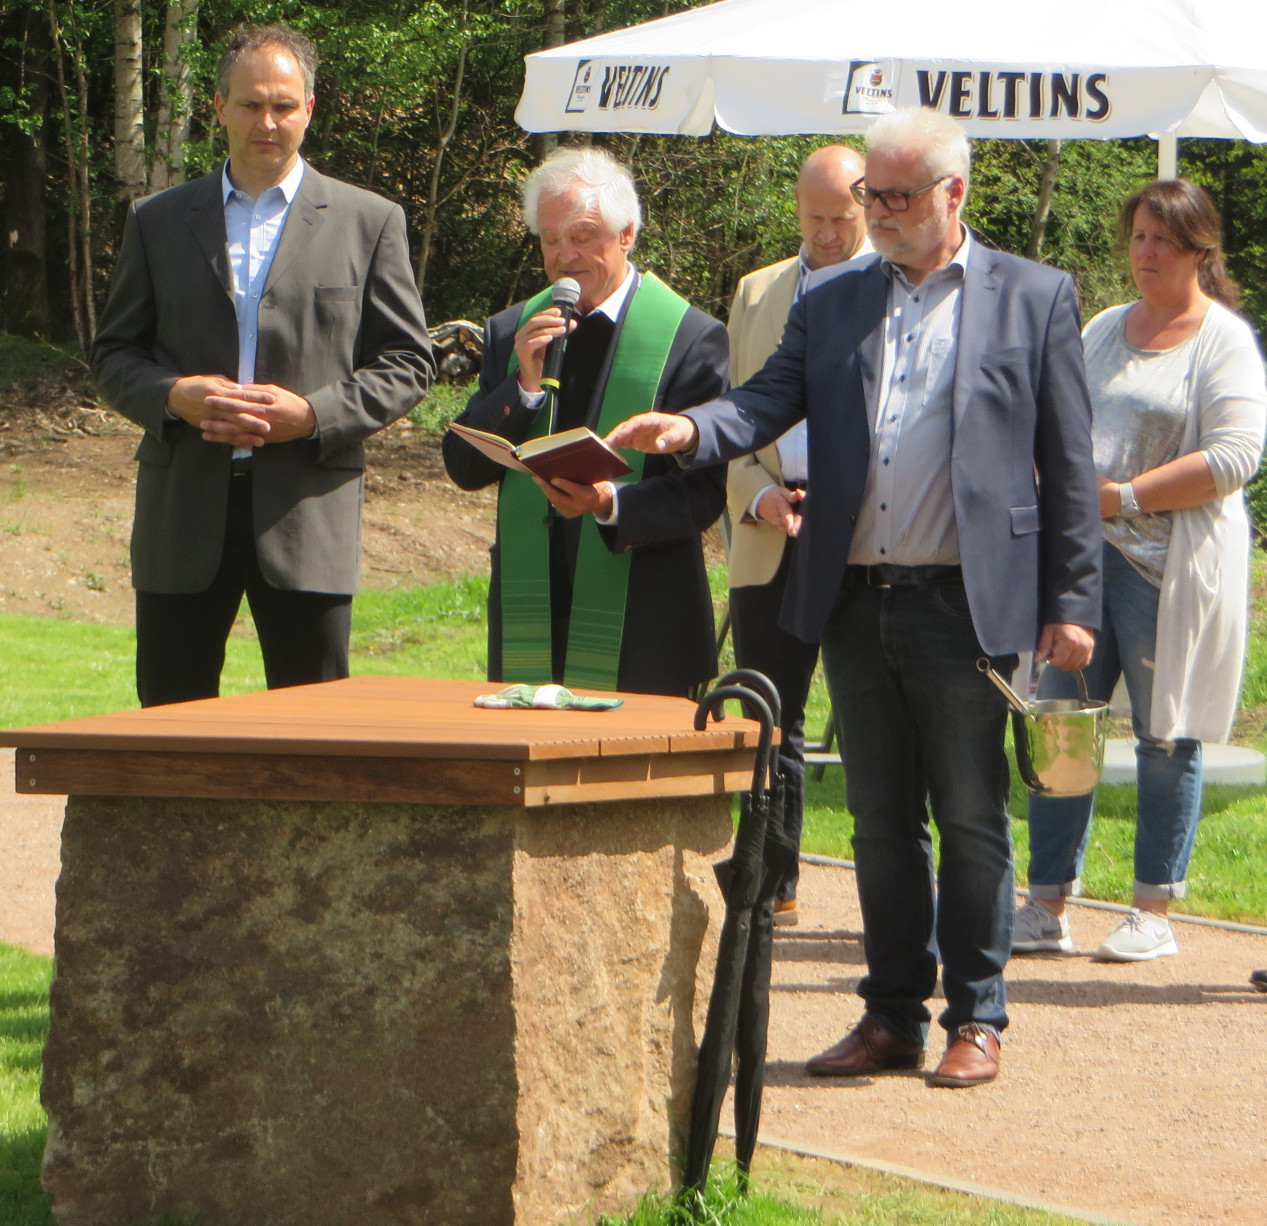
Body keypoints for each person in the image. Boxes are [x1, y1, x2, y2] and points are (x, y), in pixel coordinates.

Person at [609, 107, 1102, 1087]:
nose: (876, 213)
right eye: (871, 194)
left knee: (970, 813)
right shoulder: (834, 300)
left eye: (896, 197)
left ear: (953, 193)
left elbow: (1069, 459)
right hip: (852, 595)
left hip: (966, 603)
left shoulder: (1032, 296)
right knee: (878, 819)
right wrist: (692, 431)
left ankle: (976, 1015)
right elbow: (765, 399)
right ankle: (890, 1015)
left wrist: (1073, 598)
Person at [91, 24, 434, 708]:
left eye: (283, 105)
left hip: (307, 511)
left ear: (310, 109)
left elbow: (407, 362)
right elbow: (112, 354)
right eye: (251, 104)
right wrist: (173, 394)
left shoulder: (369, 222)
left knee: (314, 730)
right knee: (171, 727)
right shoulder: (157, 220)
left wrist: (313, 415)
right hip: (182, 513)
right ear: (219, 107)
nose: (267, 122)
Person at [1013, 180, 1267, 963]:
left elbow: (1235, 457)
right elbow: (1054, 420)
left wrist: (1121, 497)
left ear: (1198, 250)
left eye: (1161, 240)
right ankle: (1046, 903)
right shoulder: (1100, 328)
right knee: (1061, 725)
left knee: (1165, 737)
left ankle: (1151, 909)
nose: (1145, 252)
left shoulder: (1222, 341)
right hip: (1082, 565)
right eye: (1137, 237)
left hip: (1169, 571)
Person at [442, 147, 727, 698]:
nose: (564, 255)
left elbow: (704, 494)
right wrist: (522, 386)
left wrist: (609, 503)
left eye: (583, 235)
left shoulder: (690, 338)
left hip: (644, 620)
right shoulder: (513, 331)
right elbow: (464, 467)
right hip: (534, 608)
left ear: (627, 235)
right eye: (550, 239)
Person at [726, 145, 871, 926]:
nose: (825, 233)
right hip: (772, 528)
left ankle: (890, 896)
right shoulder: (756, 291)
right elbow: (733, 414)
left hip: (866, 535)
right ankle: (771, 883)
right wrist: (757, 496)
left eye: (840, 218)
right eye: (812, 218)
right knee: (766, 714)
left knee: (875, 718)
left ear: (868, 206)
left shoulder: (896, 288)